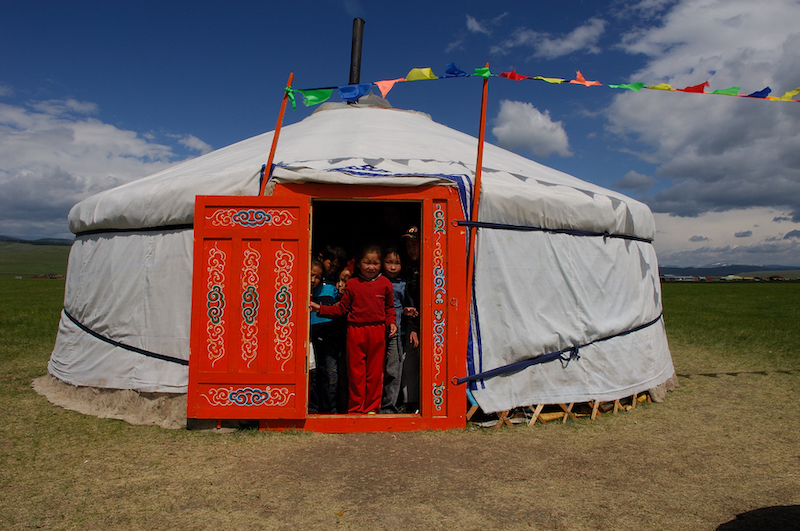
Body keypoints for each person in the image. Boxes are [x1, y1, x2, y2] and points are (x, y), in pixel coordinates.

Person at [310, 245, 397, 414]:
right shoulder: (352, 284)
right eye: (366, 263)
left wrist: (391, 322)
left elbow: (390, 308)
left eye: (375, 263)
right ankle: (356, 408)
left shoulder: (385, 284)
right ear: (358, 264)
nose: (371, 267)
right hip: (355, 331)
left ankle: (372, 408)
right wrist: (319, 308)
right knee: (356, 372)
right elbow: (341, 309)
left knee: (375, 372)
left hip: (377, 330)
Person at [310, 259, 339, 414]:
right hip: (307, 337)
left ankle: (330, 410)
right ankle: (312, 408)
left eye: (317, 277)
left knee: (329, 373)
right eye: (311, 275)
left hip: (327, 336)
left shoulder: (329, 290)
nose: (313, 280)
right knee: (311, 374)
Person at [380, 247, 406, 413]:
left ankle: (389, 405)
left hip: (396, 330)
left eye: (397, 263)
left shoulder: (404, 284)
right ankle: (373, 404)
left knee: (393, 368)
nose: (393, 267)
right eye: (389, 262)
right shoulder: (376, 281)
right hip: (376, 328)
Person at [400, 226, 420, 413]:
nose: (411, 249)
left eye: (414, 244)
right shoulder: (410, 268)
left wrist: (415, 328)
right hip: (411, 324)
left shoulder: (428, 268)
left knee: (414, 361)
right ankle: (411, 402)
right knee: (409, 363)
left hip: (423, 325)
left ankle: (418, 402)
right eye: (408, 245)